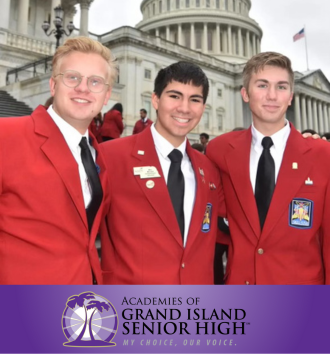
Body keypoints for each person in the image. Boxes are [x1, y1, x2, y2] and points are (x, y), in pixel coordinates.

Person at [0, 36, 116, 284]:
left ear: (106, 96)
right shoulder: (5, 136)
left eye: (95, 82)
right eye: (72, 77)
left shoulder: (97, 154)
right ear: (53, 86)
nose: (83, 88)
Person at [207, 51, 330, 285]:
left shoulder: (322, 156)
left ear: (291, 96)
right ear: (245, 93)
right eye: (262, 85)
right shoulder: (219, 151)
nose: (272, 95)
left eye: (281, 87)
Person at [100, 61, 225, 284]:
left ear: (203, 108)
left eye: (194, 99)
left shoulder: (209, 169)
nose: (184, 108)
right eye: (175, 96)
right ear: (156, 100)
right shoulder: (111, 157)